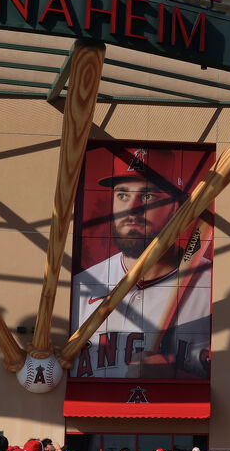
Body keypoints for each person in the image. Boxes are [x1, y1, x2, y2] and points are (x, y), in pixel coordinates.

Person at [71, 148, 212, 379]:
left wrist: (173, 379)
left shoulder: (211, 284)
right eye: (123, 195)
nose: (132, 210)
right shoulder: (83, 285)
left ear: (177, 207)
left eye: (148, 196)